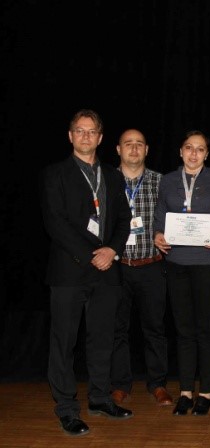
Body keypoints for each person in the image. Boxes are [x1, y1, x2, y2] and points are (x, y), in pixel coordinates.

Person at [41, 109, 134, 436]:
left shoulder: (111, 175)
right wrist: (91, 255)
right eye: (79, 131)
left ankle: (100, 398)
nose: (85, 136)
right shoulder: (55, 174)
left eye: (91, 131)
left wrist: (112, 250)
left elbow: (123, 219)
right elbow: (55, 223)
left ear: (100, 137)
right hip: (69, 272)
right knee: (64, 343)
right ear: (70, 136)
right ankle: (67, 409)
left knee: (102, 340)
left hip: (107, 271)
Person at [153, 130, 210, 416]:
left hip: (209, 263)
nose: (194, 153)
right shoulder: (168, 180)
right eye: (189, 147)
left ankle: (206, 391)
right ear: (180, 151)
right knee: (183, 329)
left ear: (207, 154)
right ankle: (186, 391)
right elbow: (159, 217)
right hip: (177, 263)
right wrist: (158, 235)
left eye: (200, 149)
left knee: (205, 328)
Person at [110, 129, 172, 407]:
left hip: (151, 266)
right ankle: (120, 385)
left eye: (139, 144)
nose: (134, 149)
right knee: (116, 329)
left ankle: (158, 384)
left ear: (146, 150)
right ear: (118, 149)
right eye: (128, 144)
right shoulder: (107, 180)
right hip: (116, 266)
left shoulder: (162, 182)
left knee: (155, 329)